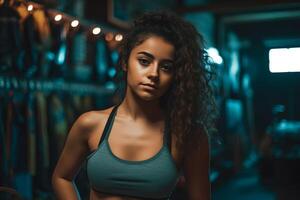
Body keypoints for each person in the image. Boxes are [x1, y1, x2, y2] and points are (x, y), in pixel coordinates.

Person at [52, 11, 216, 200]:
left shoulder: (187, 133)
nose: (154, 74)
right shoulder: (91, 124)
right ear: (124, 62)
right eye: (144, 61)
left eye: (166, 67)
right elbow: (62, 177)